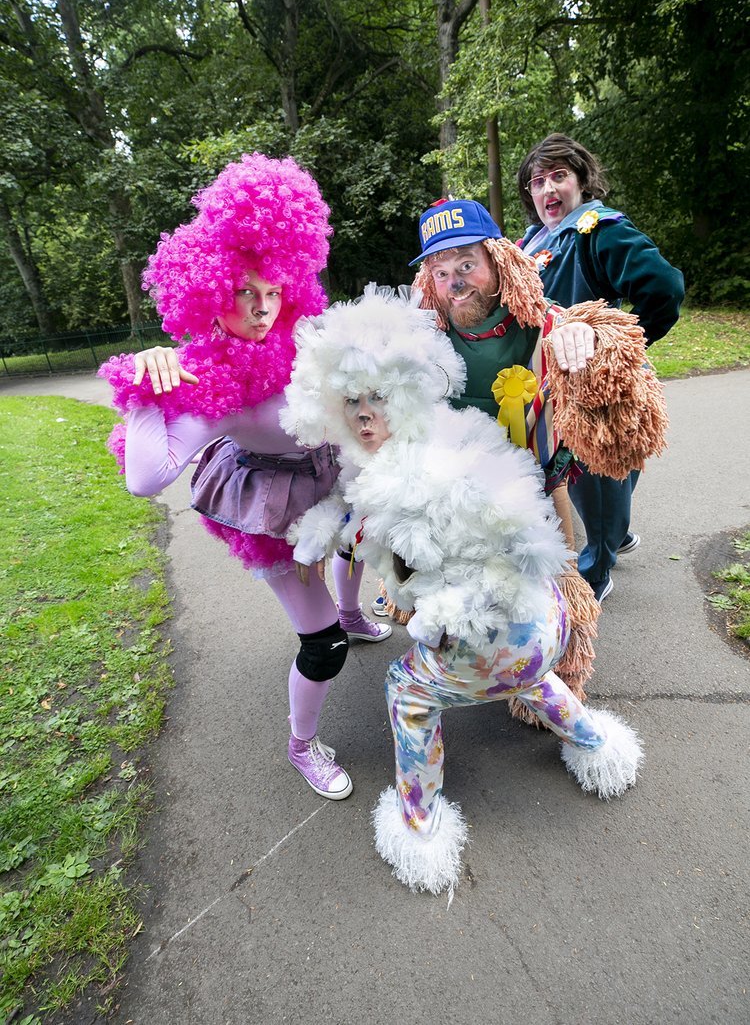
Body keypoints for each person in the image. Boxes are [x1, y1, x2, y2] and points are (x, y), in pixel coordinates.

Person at [282, 287, 643, 896]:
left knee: (409, 693)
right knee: (524, 666)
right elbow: (360, 513)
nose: (365, 415)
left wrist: (432, 602)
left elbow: (505, 541)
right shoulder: (433, 442)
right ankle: (598, 745)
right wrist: (322, 535)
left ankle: (419, 828)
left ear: (408, 395)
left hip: (500, 621)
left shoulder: (425, 469)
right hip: (538, 631)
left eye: (379, 398)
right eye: (352, 402)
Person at [99, 153, 390, 803]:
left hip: (327, 474)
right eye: (242, 293)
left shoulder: (301, 333)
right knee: (324, 645)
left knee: (354, 542)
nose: (262, 309)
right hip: (270, 505)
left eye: (272, 289)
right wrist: (148, 390)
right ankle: (302, 745)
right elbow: (147, 479)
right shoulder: (210, 381)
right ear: (209, 288)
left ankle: (352, 607)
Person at [517, 133, 685, 601]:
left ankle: (597, 566)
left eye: (559, 176)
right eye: (537, 181)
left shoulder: (601, 228)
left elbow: (664, 289)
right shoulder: (531, 239)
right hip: (548, 380)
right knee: (586, 467)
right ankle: (617, 530)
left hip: (593, 380)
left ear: (581, 180)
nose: (548, 189)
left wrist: (619, 344)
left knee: (599, 469)